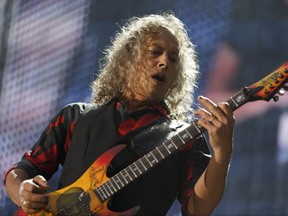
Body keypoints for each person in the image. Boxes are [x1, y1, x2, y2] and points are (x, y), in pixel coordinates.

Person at [4, 13, 235, 215]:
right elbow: (23, 169)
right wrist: (23, 190)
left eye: (173, 59)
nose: (164, 61)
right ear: (128, 59)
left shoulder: (185, 138)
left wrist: (222, 155)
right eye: (155, 52)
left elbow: (198, 210)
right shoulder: (74, 116)